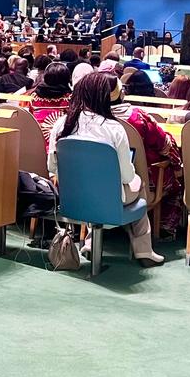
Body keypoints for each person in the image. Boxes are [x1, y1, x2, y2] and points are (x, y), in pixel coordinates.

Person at [47, 72, 163, 266]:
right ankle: (144, 250)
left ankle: (90, 244)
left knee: (98, 196)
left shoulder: (61, 125)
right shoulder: (114, 128)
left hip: (70, 198)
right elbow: (126, 176)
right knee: (138, 183)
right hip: (110, 198)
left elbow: (52, 167)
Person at [112, 76, 182, 234]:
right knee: (176, 182)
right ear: (121, 93)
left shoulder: (92, 119)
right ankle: (164, 229)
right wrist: (177, 166)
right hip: (143, 181)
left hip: (100, 181)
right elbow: (165, 145)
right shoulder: (138, 118)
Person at [30, 62, 72, 146]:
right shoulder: (72, 99)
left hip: (37, 146)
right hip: (63, 148)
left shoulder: (33, 97)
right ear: (67, 79)